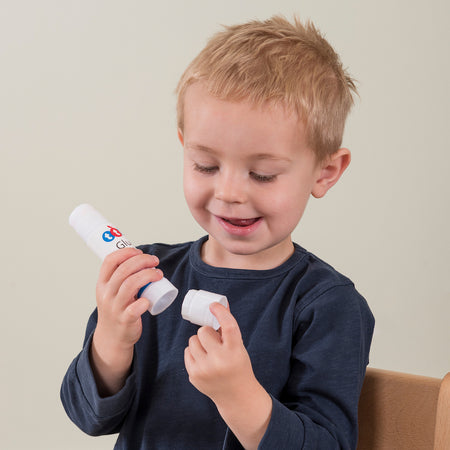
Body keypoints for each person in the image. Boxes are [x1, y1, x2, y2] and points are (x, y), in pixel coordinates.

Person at [61, 15, 374, 449]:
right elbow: (88, 417)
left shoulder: (327, 306)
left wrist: (240, 398)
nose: (228, 193)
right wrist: (110, 344)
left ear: (325, 172)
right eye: (205, 166)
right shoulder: (149, 276)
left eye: (262, 174)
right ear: (183, 148)